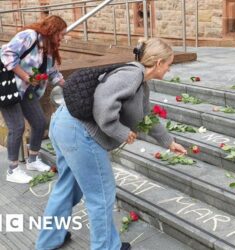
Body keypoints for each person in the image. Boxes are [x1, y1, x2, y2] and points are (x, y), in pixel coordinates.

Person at [36, 38, 187, 250]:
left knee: (68, 187)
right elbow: (103, 109)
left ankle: (48, 241)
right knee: (101, 195)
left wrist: (169, 142)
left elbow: (146, 116)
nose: (169, 68)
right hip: (79, 132)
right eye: (169, 64)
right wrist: (121, 132)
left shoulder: (140, 82)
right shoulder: (131, 75)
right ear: (159, 62)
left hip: (66, 124)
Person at [0, 15, 66, 184]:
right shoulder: (29, 36)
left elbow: (52, 73)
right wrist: (26, 77)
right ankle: (12, 170)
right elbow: (6, 53)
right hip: (9, 89)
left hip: (26, 91)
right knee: (17, 127)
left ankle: (33, 160)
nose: (62, 38)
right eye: (61, 34)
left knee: (39, 122)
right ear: (53, 30)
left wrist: (70, 86)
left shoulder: (48, 48)